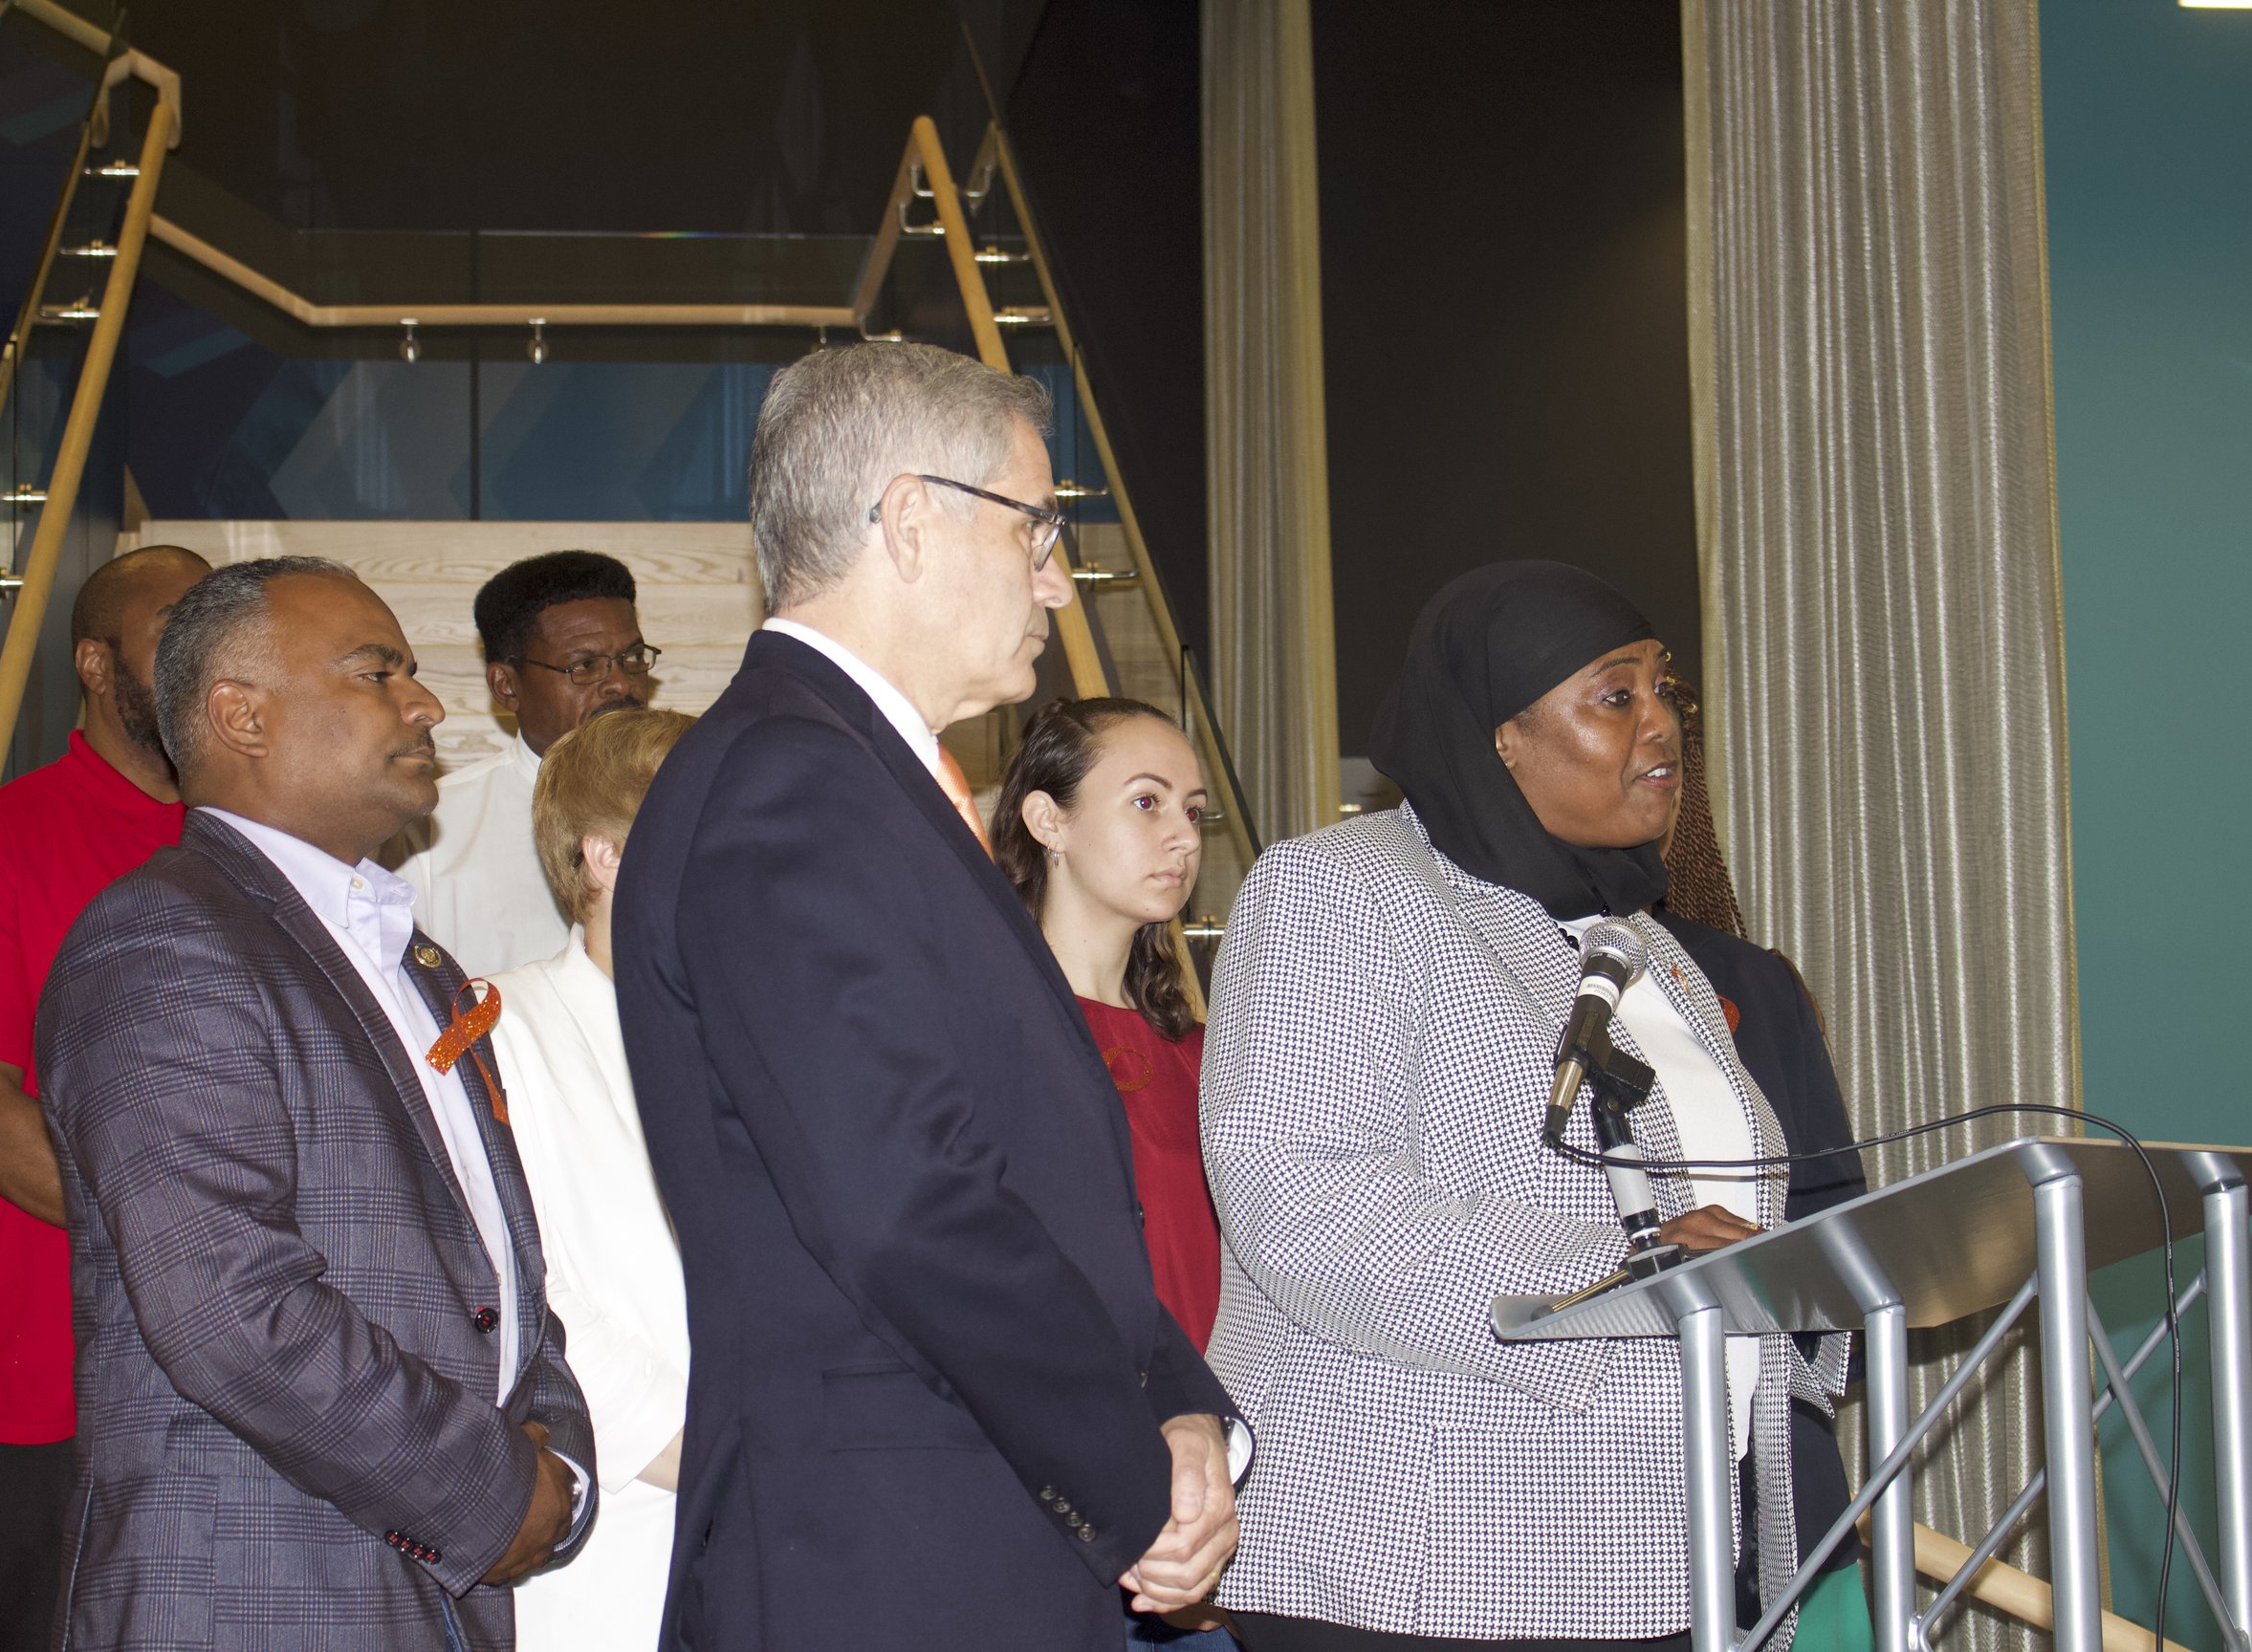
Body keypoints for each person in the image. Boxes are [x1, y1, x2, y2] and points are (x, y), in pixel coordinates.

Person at [609, 341, 1243, 1652]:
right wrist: (1137, 1483)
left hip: (948, 1541)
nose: (1057, 580)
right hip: (884, 1564)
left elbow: (1033, 1183)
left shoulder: (858, 780)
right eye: (1037, 529)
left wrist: (1179, 1402)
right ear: (909, 518)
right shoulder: (793, 784)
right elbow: (910, 1206)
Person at [1199, 560, 1846, 1652]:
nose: (1664, 726)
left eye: (1666, 691)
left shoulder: (1642, 945)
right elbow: (1301, 1201)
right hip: (1426, 1551)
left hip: (1671, 1548)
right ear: (1502, 736)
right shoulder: (1340, 888)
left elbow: (1733, 1219)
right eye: (1616, 695)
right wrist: (1620, 1271)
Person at [33, 556, 595, 1650]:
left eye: (412, 673)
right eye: (377, 673)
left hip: (424, 1591)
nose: (425, 703)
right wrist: (492, 1490)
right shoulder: (164, 940)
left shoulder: (412, 959)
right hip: (255, 1592)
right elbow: (226, 1309)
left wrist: (559, 1455)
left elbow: (494, 1269)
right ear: (240, 715)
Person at [0, 543, 208, 1652]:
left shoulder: (268, 845)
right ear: (93, 661)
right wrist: (189, 1242)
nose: (200, 665)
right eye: (173, 635)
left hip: (259, 1389)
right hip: (56, 1401)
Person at [994, 696, 1237, 1652]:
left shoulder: (1211, 1054)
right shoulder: (996, 1040)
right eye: (1146, 803)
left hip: (1213, 1484)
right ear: (1048, 821)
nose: (1181, 835)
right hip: (1065, 1502)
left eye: (1193, 808)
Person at [1656, 676, 1870, 1648]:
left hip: (1788, 1500)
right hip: (1568, 1513)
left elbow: (1843, 1251)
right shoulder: (1473, 962)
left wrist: (1775, 1273)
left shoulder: (1751, 982)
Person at [490, 706, 696, 1649]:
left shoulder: (783, 1036)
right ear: (604, 858)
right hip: (613, 1535)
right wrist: (715, 1452)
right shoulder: (500, 1028)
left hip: (788, 1515)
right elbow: (526, 1293)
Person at [391, 549, 657, 974]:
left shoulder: (699, 798)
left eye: (631, 659)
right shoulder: (428, 834)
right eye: (585, 666)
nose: (621, 683)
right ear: (507, 686)